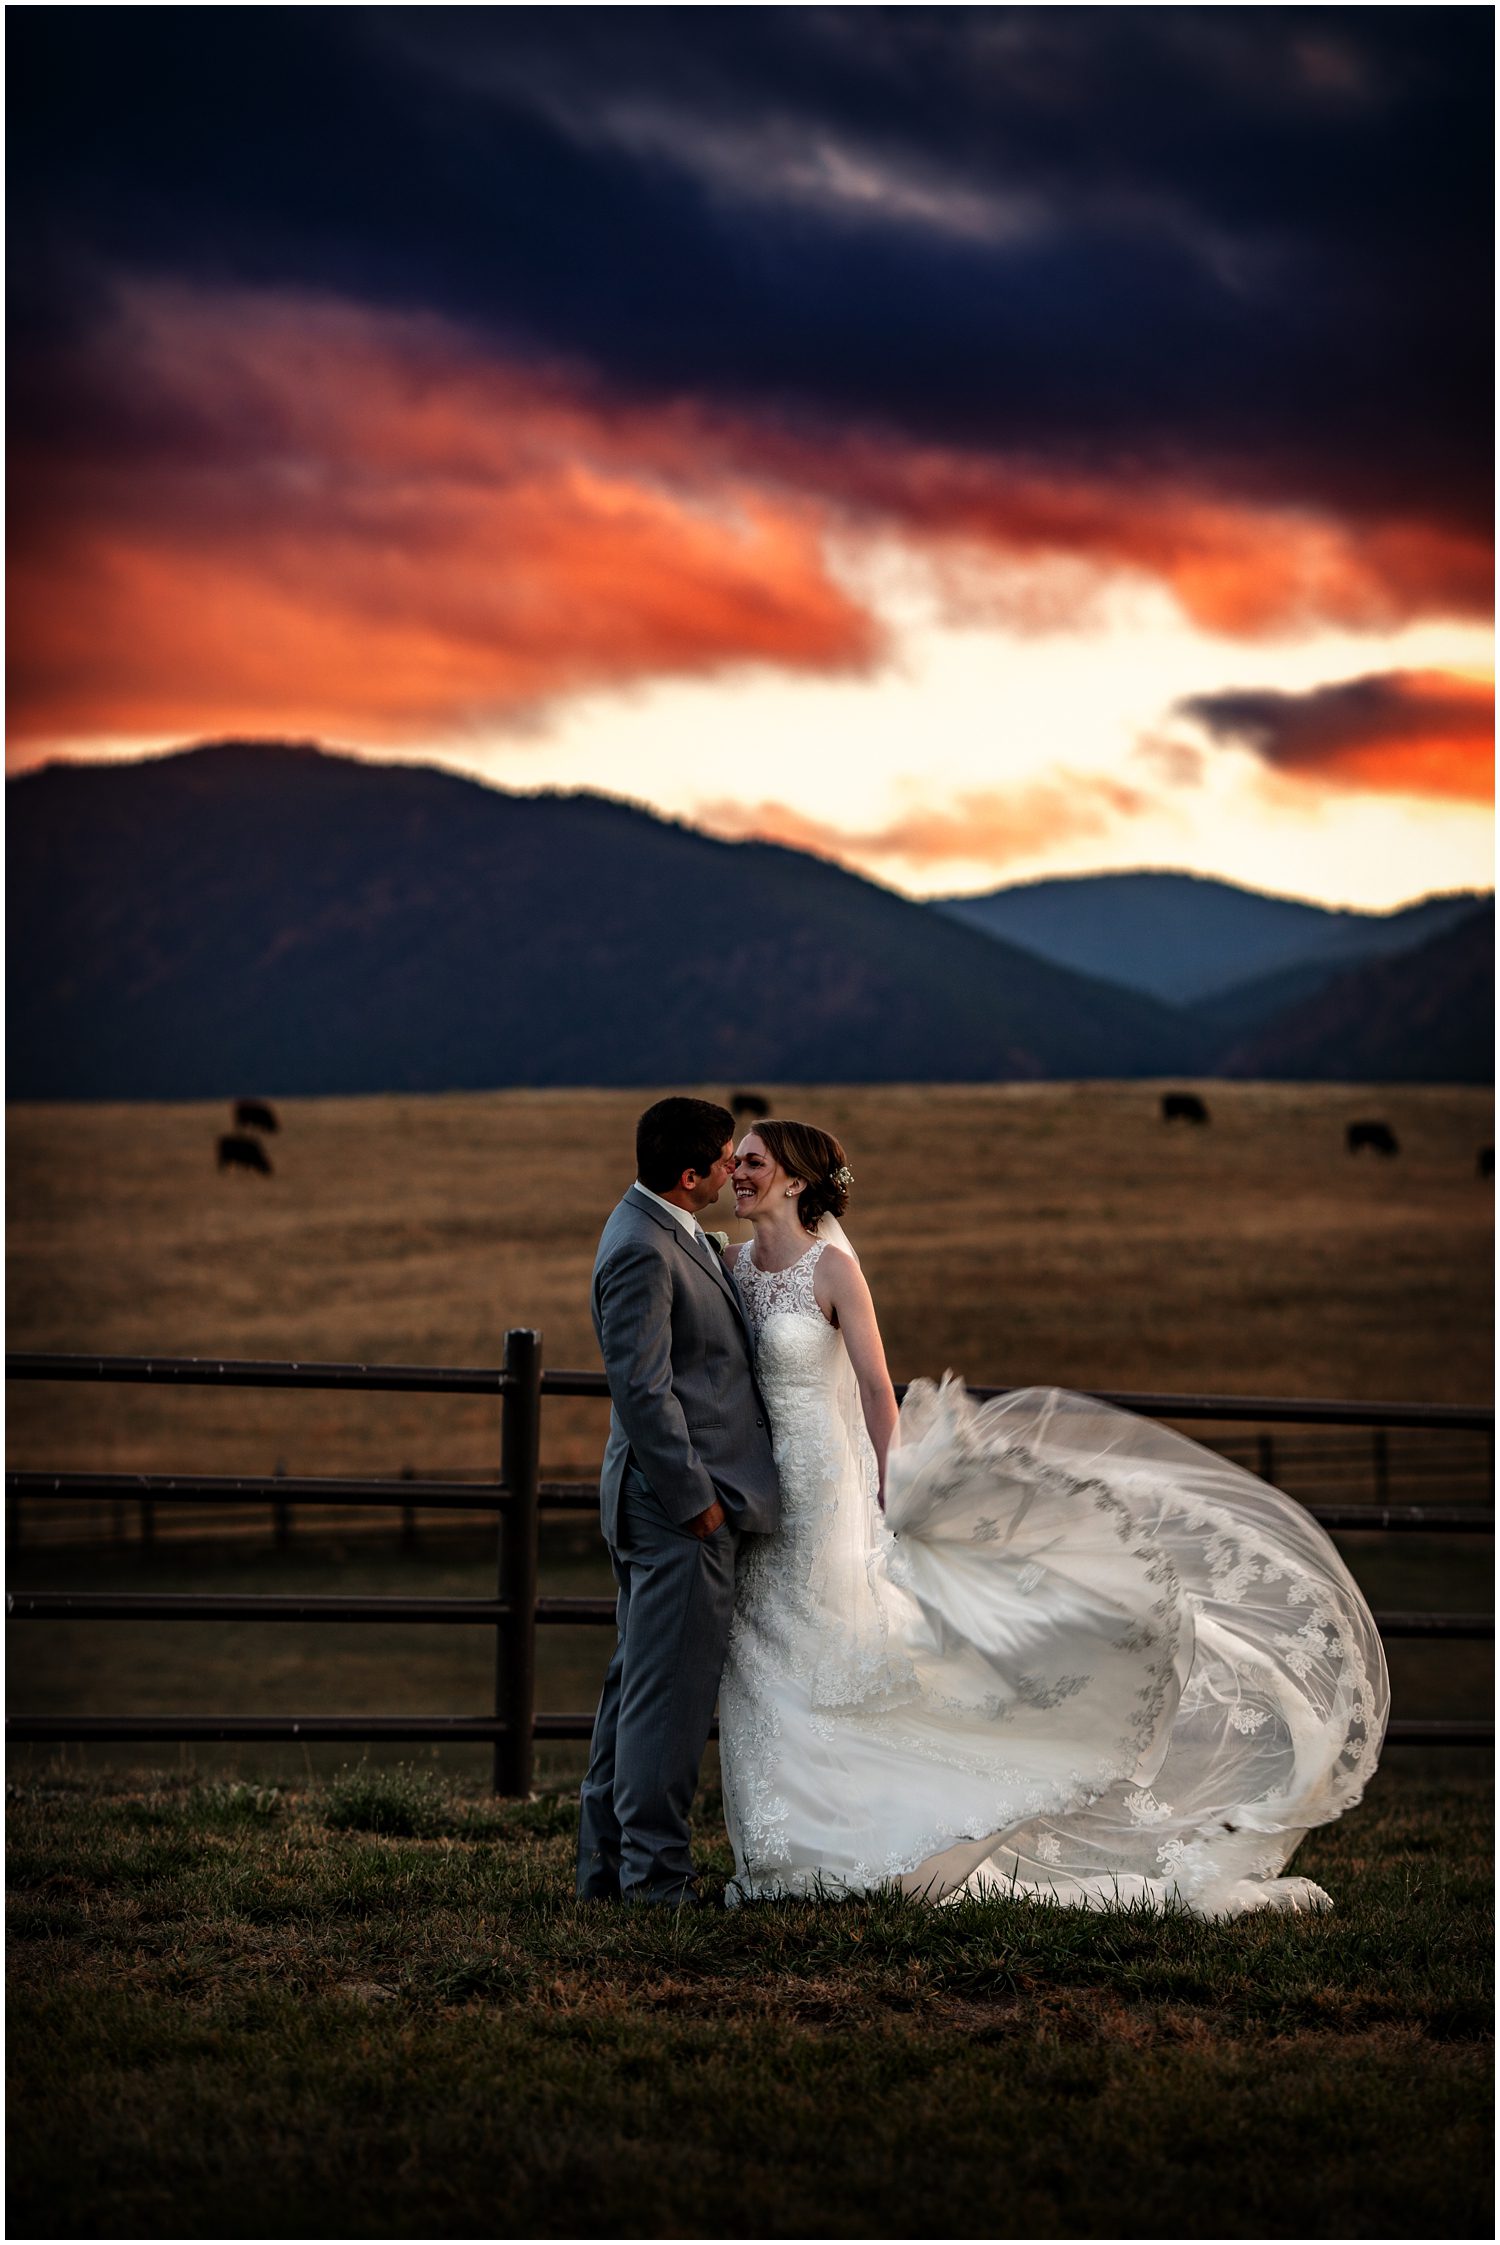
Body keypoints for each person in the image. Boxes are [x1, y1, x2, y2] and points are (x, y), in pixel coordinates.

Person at [718, 1118, 1389, 1918]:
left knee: (827, 1653)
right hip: (756, 1494)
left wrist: (896, 1484)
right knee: (764, 1656)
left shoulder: (833, 1269)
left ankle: (855, 1844)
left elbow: (872, 1385)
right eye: (736, 1161)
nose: (736, 1172)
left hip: (826, 1495)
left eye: (753, 1161)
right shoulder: (730, 1265)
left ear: (796, 1179)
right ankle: (783, 1850)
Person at [577, 1097, 780, 1905]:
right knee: (668, 1702)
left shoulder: (665, 1226)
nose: (735, 1167)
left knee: (638, 1690)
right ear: (691, 1174)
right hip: (675, 1508)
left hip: (664, 1503)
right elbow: (642, 1387)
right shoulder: (641, 1247)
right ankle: (656, 1883)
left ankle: (606, 1872)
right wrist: (697, 1501)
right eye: (727, 1157)